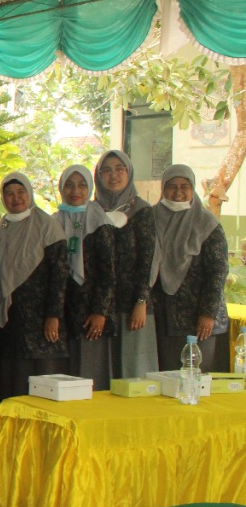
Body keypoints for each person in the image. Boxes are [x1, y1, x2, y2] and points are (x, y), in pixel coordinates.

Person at [0, 172, 69, 397]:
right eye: (9, 194)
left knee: (43, 378)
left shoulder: (48, 226)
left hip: (42, 318)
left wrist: (53, 315)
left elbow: (59, 275)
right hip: (14, 317)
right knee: (16, 378)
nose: (15, 198)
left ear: (30, 194)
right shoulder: (2, 229)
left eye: (21, 192)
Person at [152, 164, 228, 370]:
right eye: (172, 186)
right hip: (163, 317)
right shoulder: (150, 218)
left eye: (184, 186)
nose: (178, 192)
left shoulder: (207, 224)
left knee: (196, 380)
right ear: (163, 188)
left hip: (199, 320)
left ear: (192, 188)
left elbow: (218, 272)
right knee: (166, 381)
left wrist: (208, 313)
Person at [93, 150, 159, 378]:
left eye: (120, 169)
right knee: (103, 374)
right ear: (98, 175)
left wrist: (141, 301)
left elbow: (147, 259)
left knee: (135, 373)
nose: (113, 175)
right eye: (107, 170)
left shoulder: (142, 211)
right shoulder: (92, 211)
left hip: (133, 305)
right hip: (99, 308)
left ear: (129, 173)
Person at [54, 164, 116, 388]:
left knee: (92, 374)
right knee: (65, 376)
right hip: (63, 312)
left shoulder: (101, 223)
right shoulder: (53, 223)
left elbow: (108, 273)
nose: (75, 191)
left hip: (92, 312)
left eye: (81, 185)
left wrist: (100, 311)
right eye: (69, 185)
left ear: (90, 188)